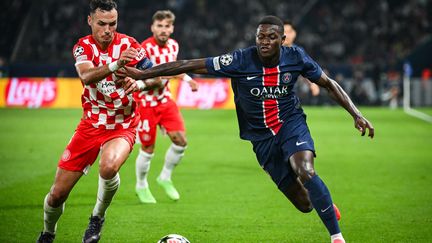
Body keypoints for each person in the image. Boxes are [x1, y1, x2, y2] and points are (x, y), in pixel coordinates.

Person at [120, 15, 374, 243]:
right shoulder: (240, 60)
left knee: (305, 169)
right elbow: (187, 64)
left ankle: (336, 237)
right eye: (260, 37)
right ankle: (324, 202)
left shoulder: (295, 56)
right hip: (260, 138)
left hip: (290, 123)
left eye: (271, 37)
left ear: (282, 40)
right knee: (305, 204)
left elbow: (328, 83)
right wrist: (144, 74)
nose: (264, 41)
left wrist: (356, 114)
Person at [36, 0, 154, 242]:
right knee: (57, 194)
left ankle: (97, 218)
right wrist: (117, 64)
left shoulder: (130, 45)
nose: (107, 30)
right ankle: (48, 233)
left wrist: (140, 82)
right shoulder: (83, 47)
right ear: (90, 21)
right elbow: (86, 76)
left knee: (109, 166)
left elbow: (158, 77)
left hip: (123, 124)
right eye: (102, 24)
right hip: (90, 126)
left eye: (112, 24)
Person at [134, 10, 198, 203]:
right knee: (148, 148)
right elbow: (150, 78)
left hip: (165, 101)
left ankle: (165, 177)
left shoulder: (173, 45)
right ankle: (142, 185)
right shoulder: (144, 49)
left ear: (172, 28)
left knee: (180, 141)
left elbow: (173, 67)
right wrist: (164, 78)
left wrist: (187, 79)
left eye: (167, 26)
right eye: (159, 26)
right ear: (152, 27)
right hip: (145, 103)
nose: (163, 30)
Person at [283, 20, 320, 97]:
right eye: (284, 32)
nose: (286, 35)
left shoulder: (298, 52)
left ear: (294, 33)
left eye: (289, 32)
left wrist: (312, 84)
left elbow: (306, 68)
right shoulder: (272, 50)